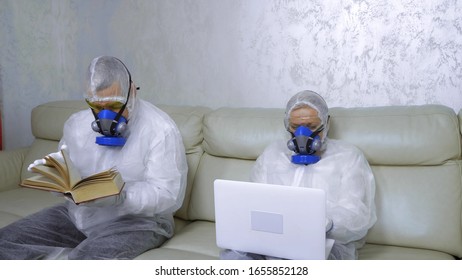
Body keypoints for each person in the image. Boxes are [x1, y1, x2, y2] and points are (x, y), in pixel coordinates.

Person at [0, 56, 188, 259]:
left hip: (139, 222)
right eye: (97, 107)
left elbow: (168, 195)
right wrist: (56, 177)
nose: (105, 116)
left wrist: (121, 197)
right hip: (79, 216)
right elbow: (69, 178)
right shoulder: (76, 125)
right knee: (4, 242)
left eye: (115, 106)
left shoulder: (160, 129)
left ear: (132, 93)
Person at [221, 90, 377, 260]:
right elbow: (253, 202)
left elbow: (357, 218)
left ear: (326, 123)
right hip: (271, 240)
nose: (302, 135)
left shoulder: (348, 157)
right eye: (295, 127)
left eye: (310, 126)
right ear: (287, 126)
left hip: (324, 244)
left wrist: (326, 223)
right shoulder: (272, 155)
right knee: (234, 258)